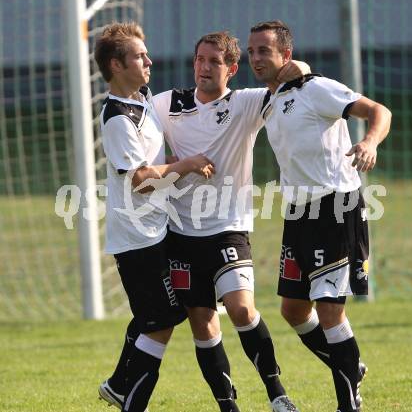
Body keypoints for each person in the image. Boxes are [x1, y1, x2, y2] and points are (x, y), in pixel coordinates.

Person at [100, 30, 309, 412]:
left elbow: (291, 85)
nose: (204, 67)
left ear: (231, 69)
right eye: (199, 59)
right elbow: (138, 174)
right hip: (176, 234)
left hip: (227, 227)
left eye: (214, 61)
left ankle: (277, 393)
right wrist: (186, 165)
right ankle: (226, 406)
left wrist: (302, 68)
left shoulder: (245, 104)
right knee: (193, 323)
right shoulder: (162, 104)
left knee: (240, 309)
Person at [247, 20, 392, 412]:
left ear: (285, 55)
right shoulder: (271, 98)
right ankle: (348, 364)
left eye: (265, 51)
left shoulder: (317, 89)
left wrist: (368, 141)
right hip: (298, 214)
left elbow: (379, 110)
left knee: (330, 309)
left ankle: (349, 405)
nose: (256, 58)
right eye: (252, 51)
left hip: (336, 208)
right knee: (294, 310)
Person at [94, 22, 215, 412]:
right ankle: (127, 397)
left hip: (158, 229)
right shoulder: (116, 118)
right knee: (160, 322)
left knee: (160, 315)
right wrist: (189, 165)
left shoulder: (143, 98)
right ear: (116, 65)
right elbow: (142, 182)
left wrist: (176, 163)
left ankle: (117, 384)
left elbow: (155, 164)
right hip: (136, 239)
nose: (149, 60)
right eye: (138, 56)